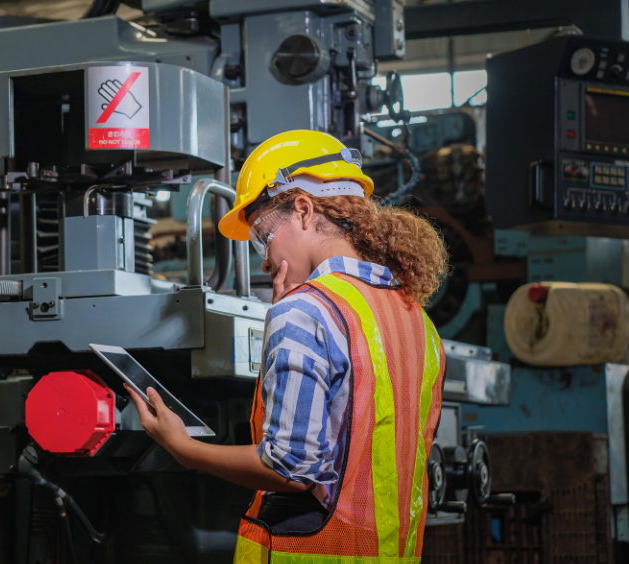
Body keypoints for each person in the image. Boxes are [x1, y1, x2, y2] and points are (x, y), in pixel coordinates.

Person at [123, 130, 449, 563]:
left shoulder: (305, 312)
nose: (264, 257)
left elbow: (290, 470)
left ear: (303, 210)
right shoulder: (415, 318)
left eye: (262, 235)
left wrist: (185, 450)